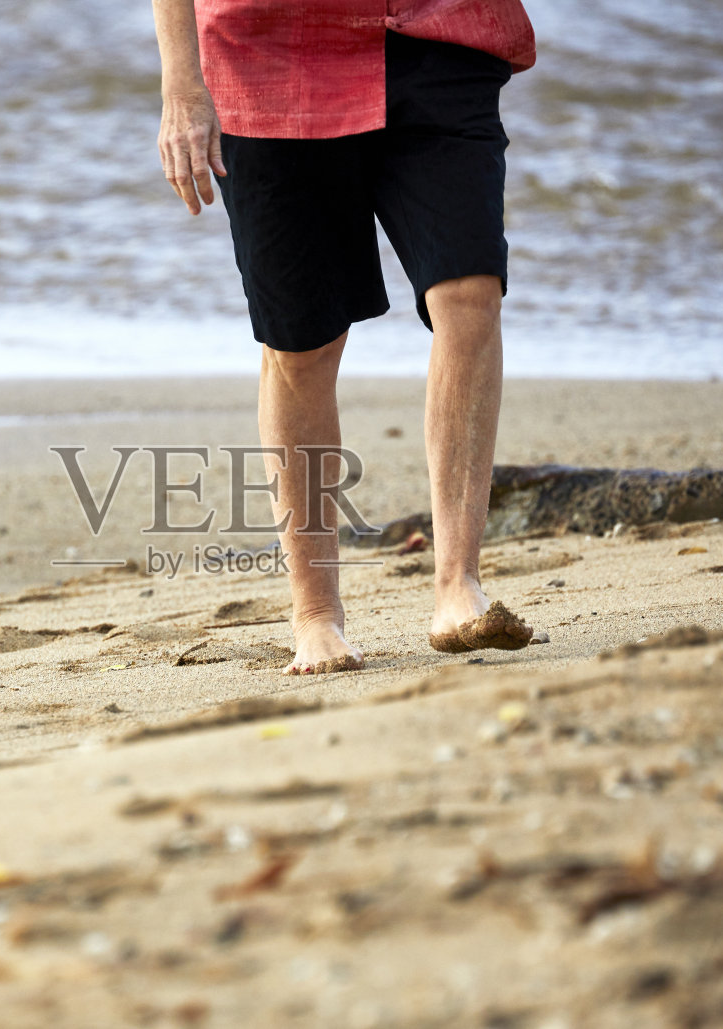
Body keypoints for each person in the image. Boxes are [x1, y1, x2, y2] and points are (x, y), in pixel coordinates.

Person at [152, 0, 540, 674]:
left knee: (470, 293)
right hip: (267, 53)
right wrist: (182, 83)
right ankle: (316, 615)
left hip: (439, 33)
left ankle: (458, 585)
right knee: (302, 346)